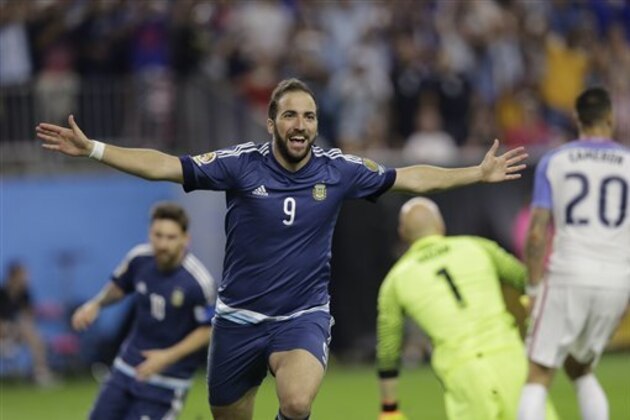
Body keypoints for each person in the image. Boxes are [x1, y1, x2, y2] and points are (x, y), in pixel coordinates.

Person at [37, 78, 527, 420]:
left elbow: (410, 177)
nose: (301, 124)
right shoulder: (240, 165)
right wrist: (96, 149)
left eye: (309, 116)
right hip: (238, 321)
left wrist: (475, 173)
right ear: (271, 122)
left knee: (296, 403)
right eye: (290, 114)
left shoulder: (338, 170)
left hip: (302, 315)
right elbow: (164, 165)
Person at [376, 197, 558, 420]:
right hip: (509, 357)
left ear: (403, 233)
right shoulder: (478, 246)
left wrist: (389, 406)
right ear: (440, 225)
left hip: (462, 370)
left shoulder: (395, 280)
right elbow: (527, 280)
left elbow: (387, 349)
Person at [517, 87, 630, 420]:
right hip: (616, 279)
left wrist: (534, 288)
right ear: (610, 118)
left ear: (577, 119)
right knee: (580, 367)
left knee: (538, 373)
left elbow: (537, 232)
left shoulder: (556, 160)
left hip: (570, 273)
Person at [71, 202, 216, 420]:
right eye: (158, 235)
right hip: (126, 369)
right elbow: (119, 287)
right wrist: (96, 304)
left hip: (167, 381)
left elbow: (208, 330)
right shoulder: (139, 259)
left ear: (186, 239)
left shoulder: (199, 282)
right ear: (150, 233)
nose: (163, 244)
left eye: (171, 237)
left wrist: (167, 357)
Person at [0, 261, 56, 386]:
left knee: (32, 333)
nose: (26, 278)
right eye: (23, 275)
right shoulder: (2, 294)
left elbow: (29, 316)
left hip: (18, 333)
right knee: (24, 329)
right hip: (3, 332)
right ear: (13, 276)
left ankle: (41, 373)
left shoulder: (25, 294)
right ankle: (41, 373)